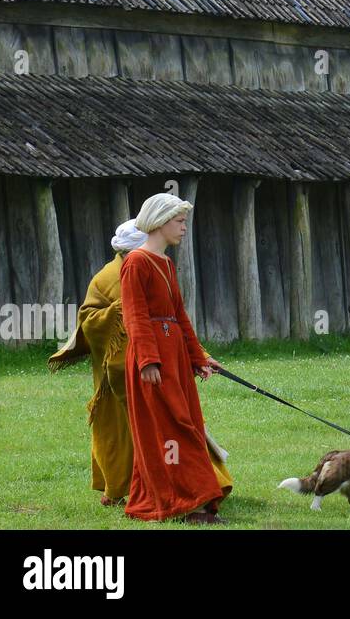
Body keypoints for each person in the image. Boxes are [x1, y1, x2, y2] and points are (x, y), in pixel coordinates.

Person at [122, 193, 230, 524]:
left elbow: (179, 316)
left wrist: (198, 358)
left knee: (187, 423)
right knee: (172, 428)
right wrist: (149, 361)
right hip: (153, 360)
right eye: (179, 221)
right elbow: (135, 316)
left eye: (184, 221)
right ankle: (191, 503)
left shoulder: (166, 264)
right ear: (159, 222)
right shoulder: (136, 262)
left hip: (175, 358)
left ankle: (177, 496)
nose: (184, 228)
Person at [48, 220, 148, 506]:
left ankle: (161, 486)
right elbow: (88, 320)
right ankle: (115, 489)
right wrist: (117, 312)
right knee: (114, 434)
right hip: (113, 370)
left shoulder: (148, 272)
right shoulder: (106, 278)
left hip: (150, 366)